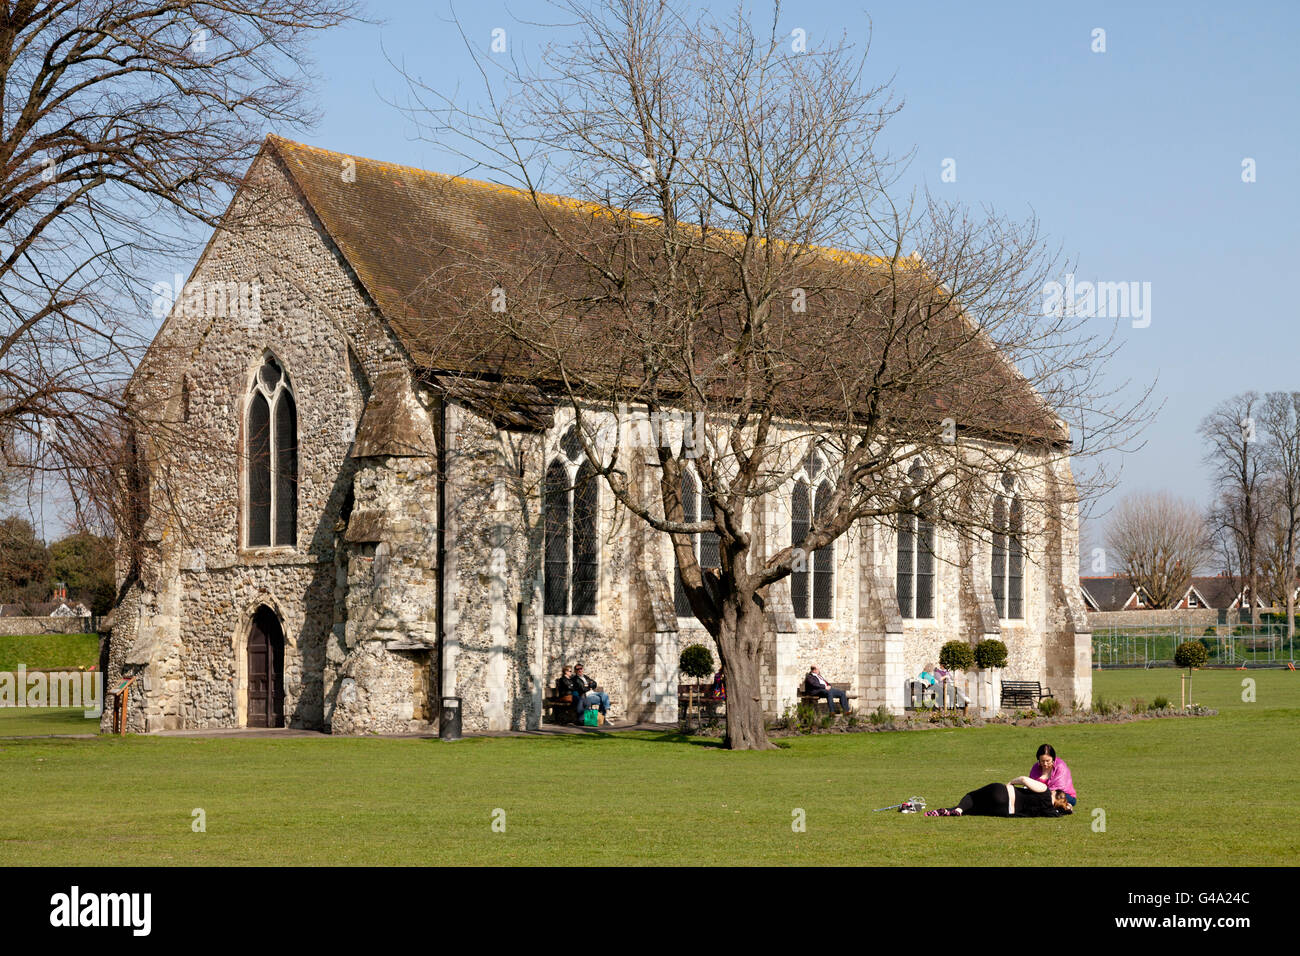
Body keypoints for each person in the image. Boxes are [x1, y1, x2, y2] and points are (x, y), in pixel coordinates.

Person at [924, 776, 1073, 817]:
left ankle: (958, 809)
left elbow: (1023, 779)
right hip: (1003, 811)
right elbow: (1065, 810)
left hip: (1003, 793)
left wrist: (1010, 783)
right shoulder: (1050, 812)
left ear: (1055, 792)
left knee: (972, 796)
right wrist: (1067, 807)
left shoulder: (1046, 790)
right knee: (975, 809)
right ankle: (951, 811)